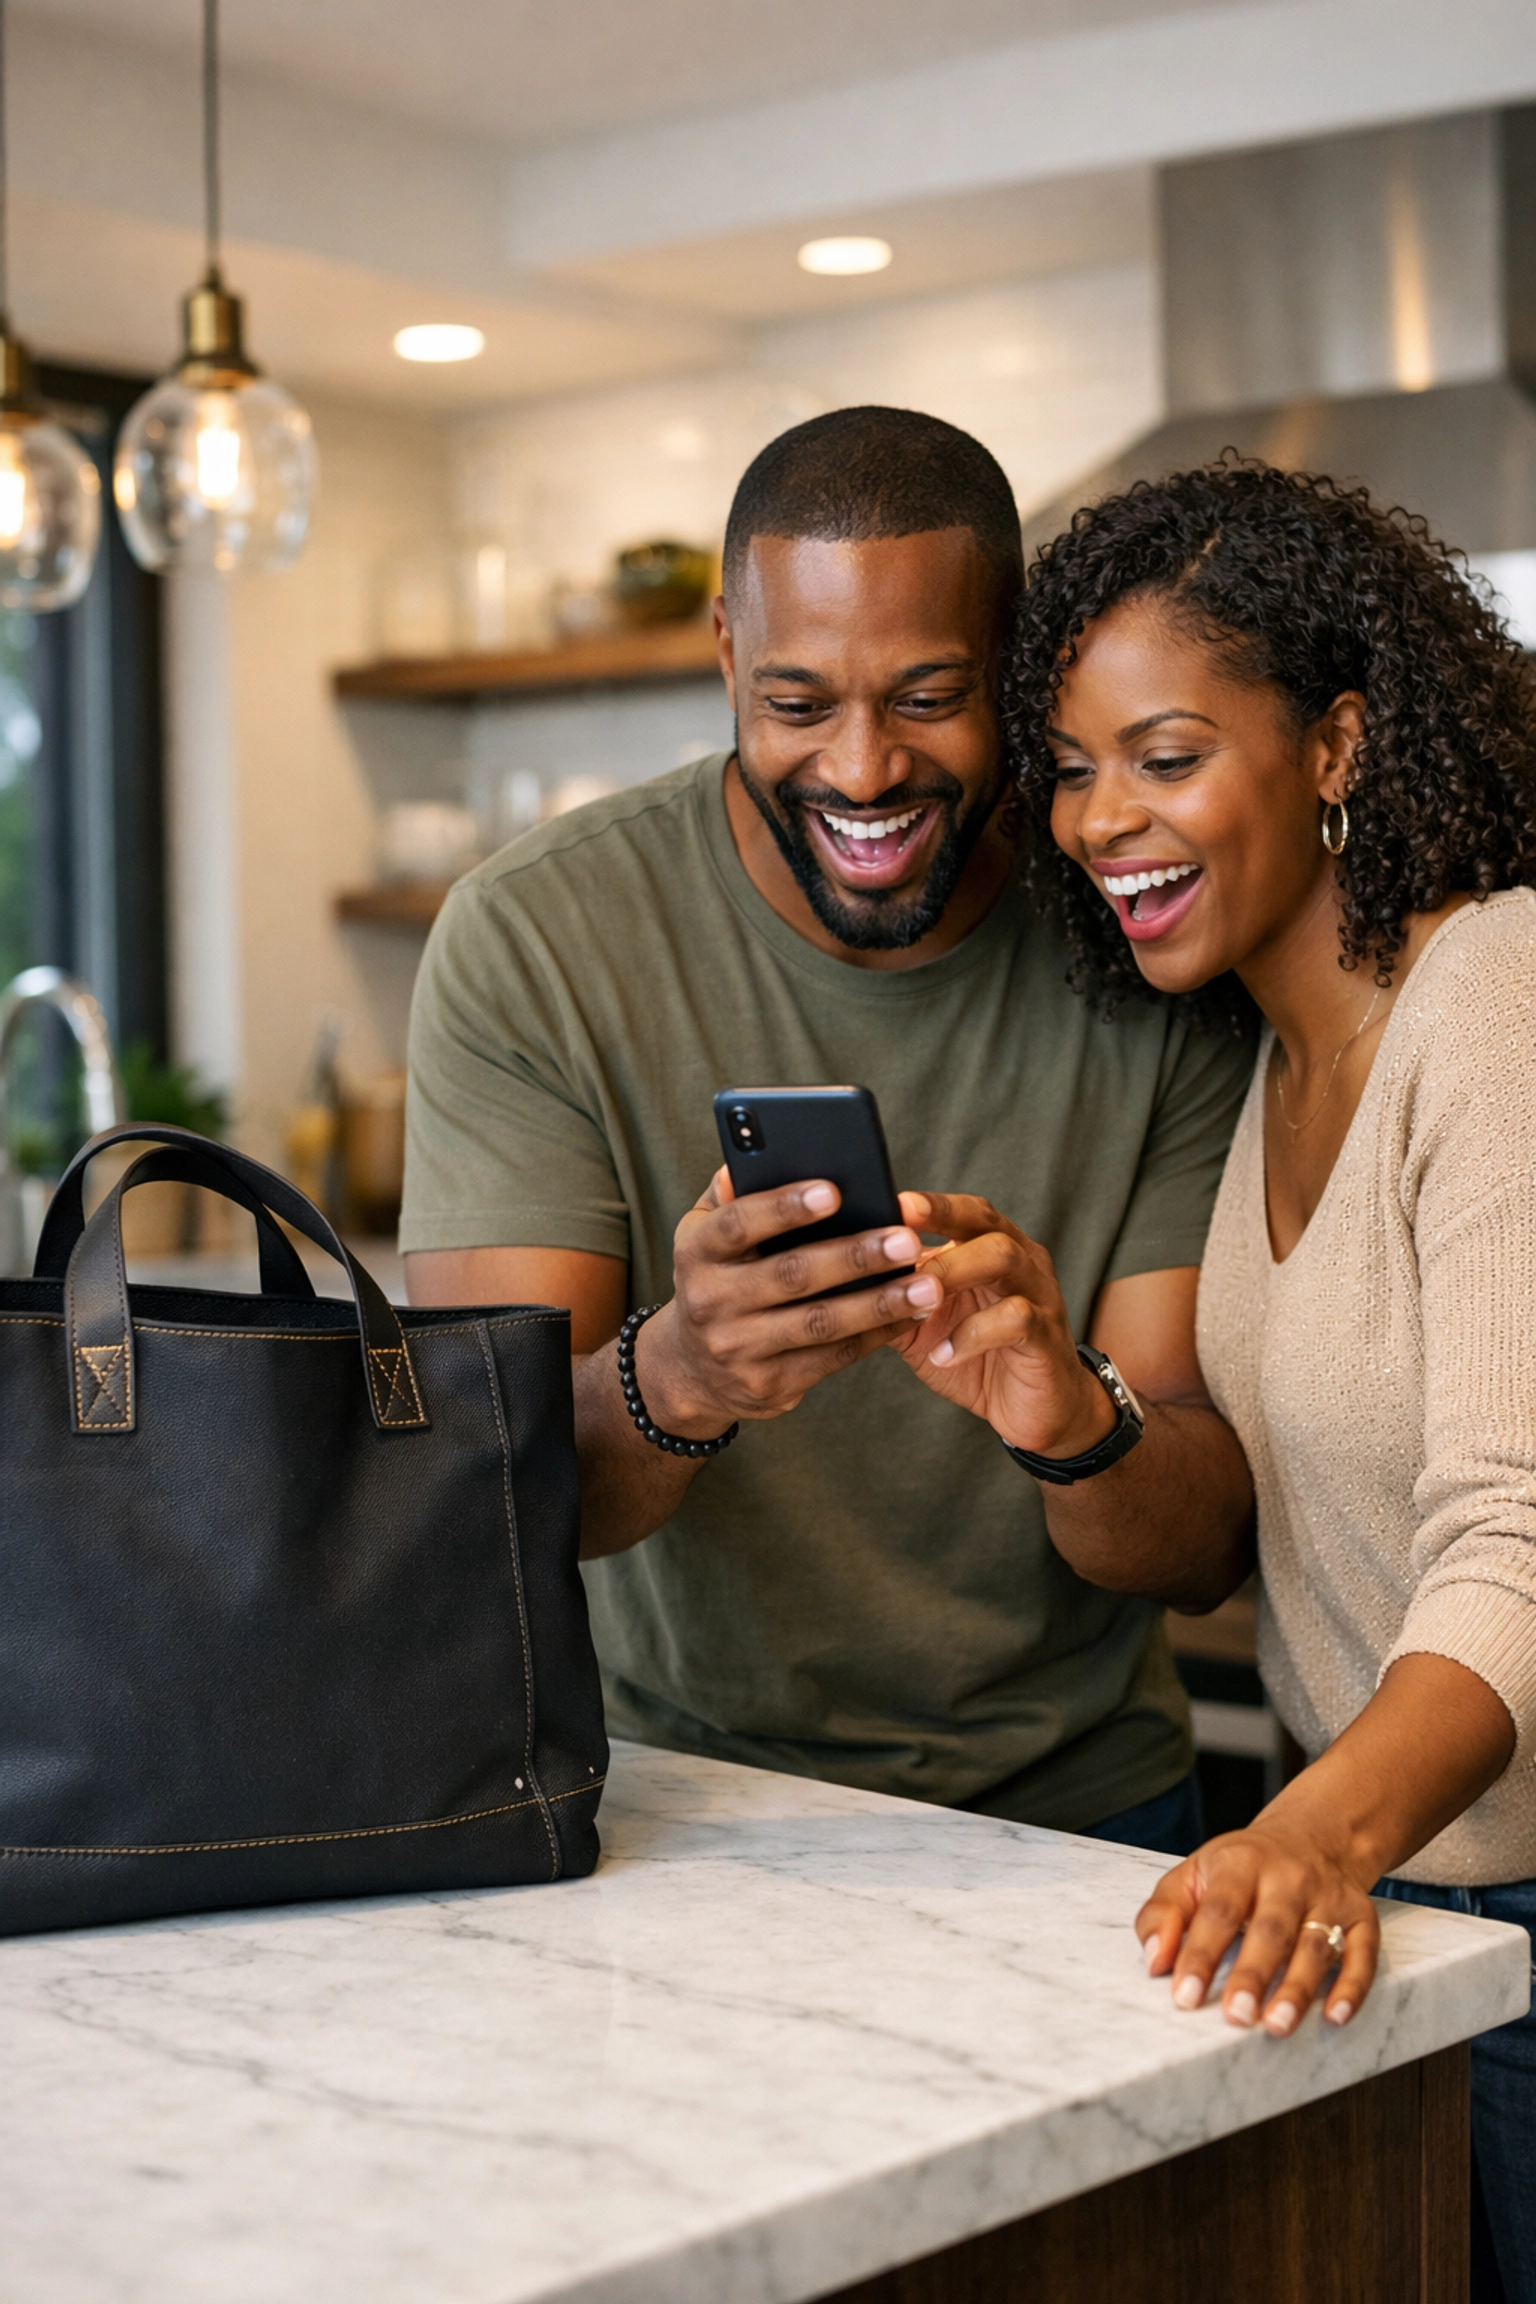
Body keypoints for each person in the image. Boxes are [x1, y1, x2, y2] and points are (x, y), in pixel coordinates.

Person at [402, 406, 1256, 1854]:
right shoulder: (536, 936)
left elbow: (1197, 1549)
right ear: (728, 650)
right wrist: (683, 1369)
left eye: (930, 697)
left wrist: (1070, 1414)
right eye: (798, 705)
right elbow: (479, 1494)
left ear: (1020, 662)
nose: (862, 773)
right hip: (677, 1815)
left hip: (1088, 1827)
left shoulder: (1145, 940)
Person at [1009, 457, 1536, 2302]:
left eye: (1163, 755)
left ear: (1334, 746)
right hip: (1414, 1906)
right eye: (1071, 768)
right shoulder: (1267, 1065)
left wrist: (1300, 1835)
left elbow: (1520, 1541)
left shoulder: (1501, 993)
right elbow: (1282, 1539)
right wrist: (1049, 1397)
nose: (1099, 820)